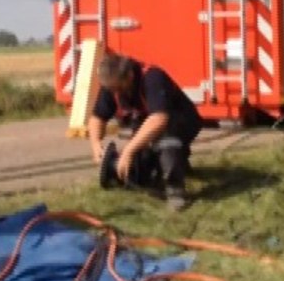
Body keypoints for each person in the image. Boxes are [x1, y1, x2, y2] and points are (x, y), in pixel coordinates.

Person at [87, 53, 203, 211]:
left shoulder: (153, 78)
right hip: (148, 122)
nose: (116, 92)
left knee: (166, 138)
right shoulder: (112, 84)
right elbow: (97, 118)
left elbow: (159, 119)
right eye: (112, 89)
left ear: (130, 75)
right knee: (139, 171)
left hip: (181, 120)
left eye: (119, 88)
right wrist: (95, 144)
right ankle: (175, 163)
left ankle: (175, 190)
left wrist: (128, 151)